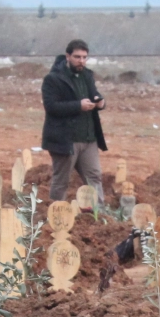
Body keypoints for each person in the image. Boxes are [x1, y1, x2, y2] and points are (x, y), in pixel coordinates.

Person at [41, 39, 107, 203]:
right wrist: (78, 106)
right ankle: (56, 215)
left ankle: (99, 216)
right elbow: (51, 107)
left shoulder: (87, 75)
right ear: (68, 56)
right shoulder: (53, 79)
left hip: (88, 138)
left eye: (84, 57)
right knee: (61, 181)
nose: (81, 61)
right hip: (65, 139)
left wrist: (100, 102)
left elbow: (95, 95)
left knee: (94, 177)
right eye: (77, 57)